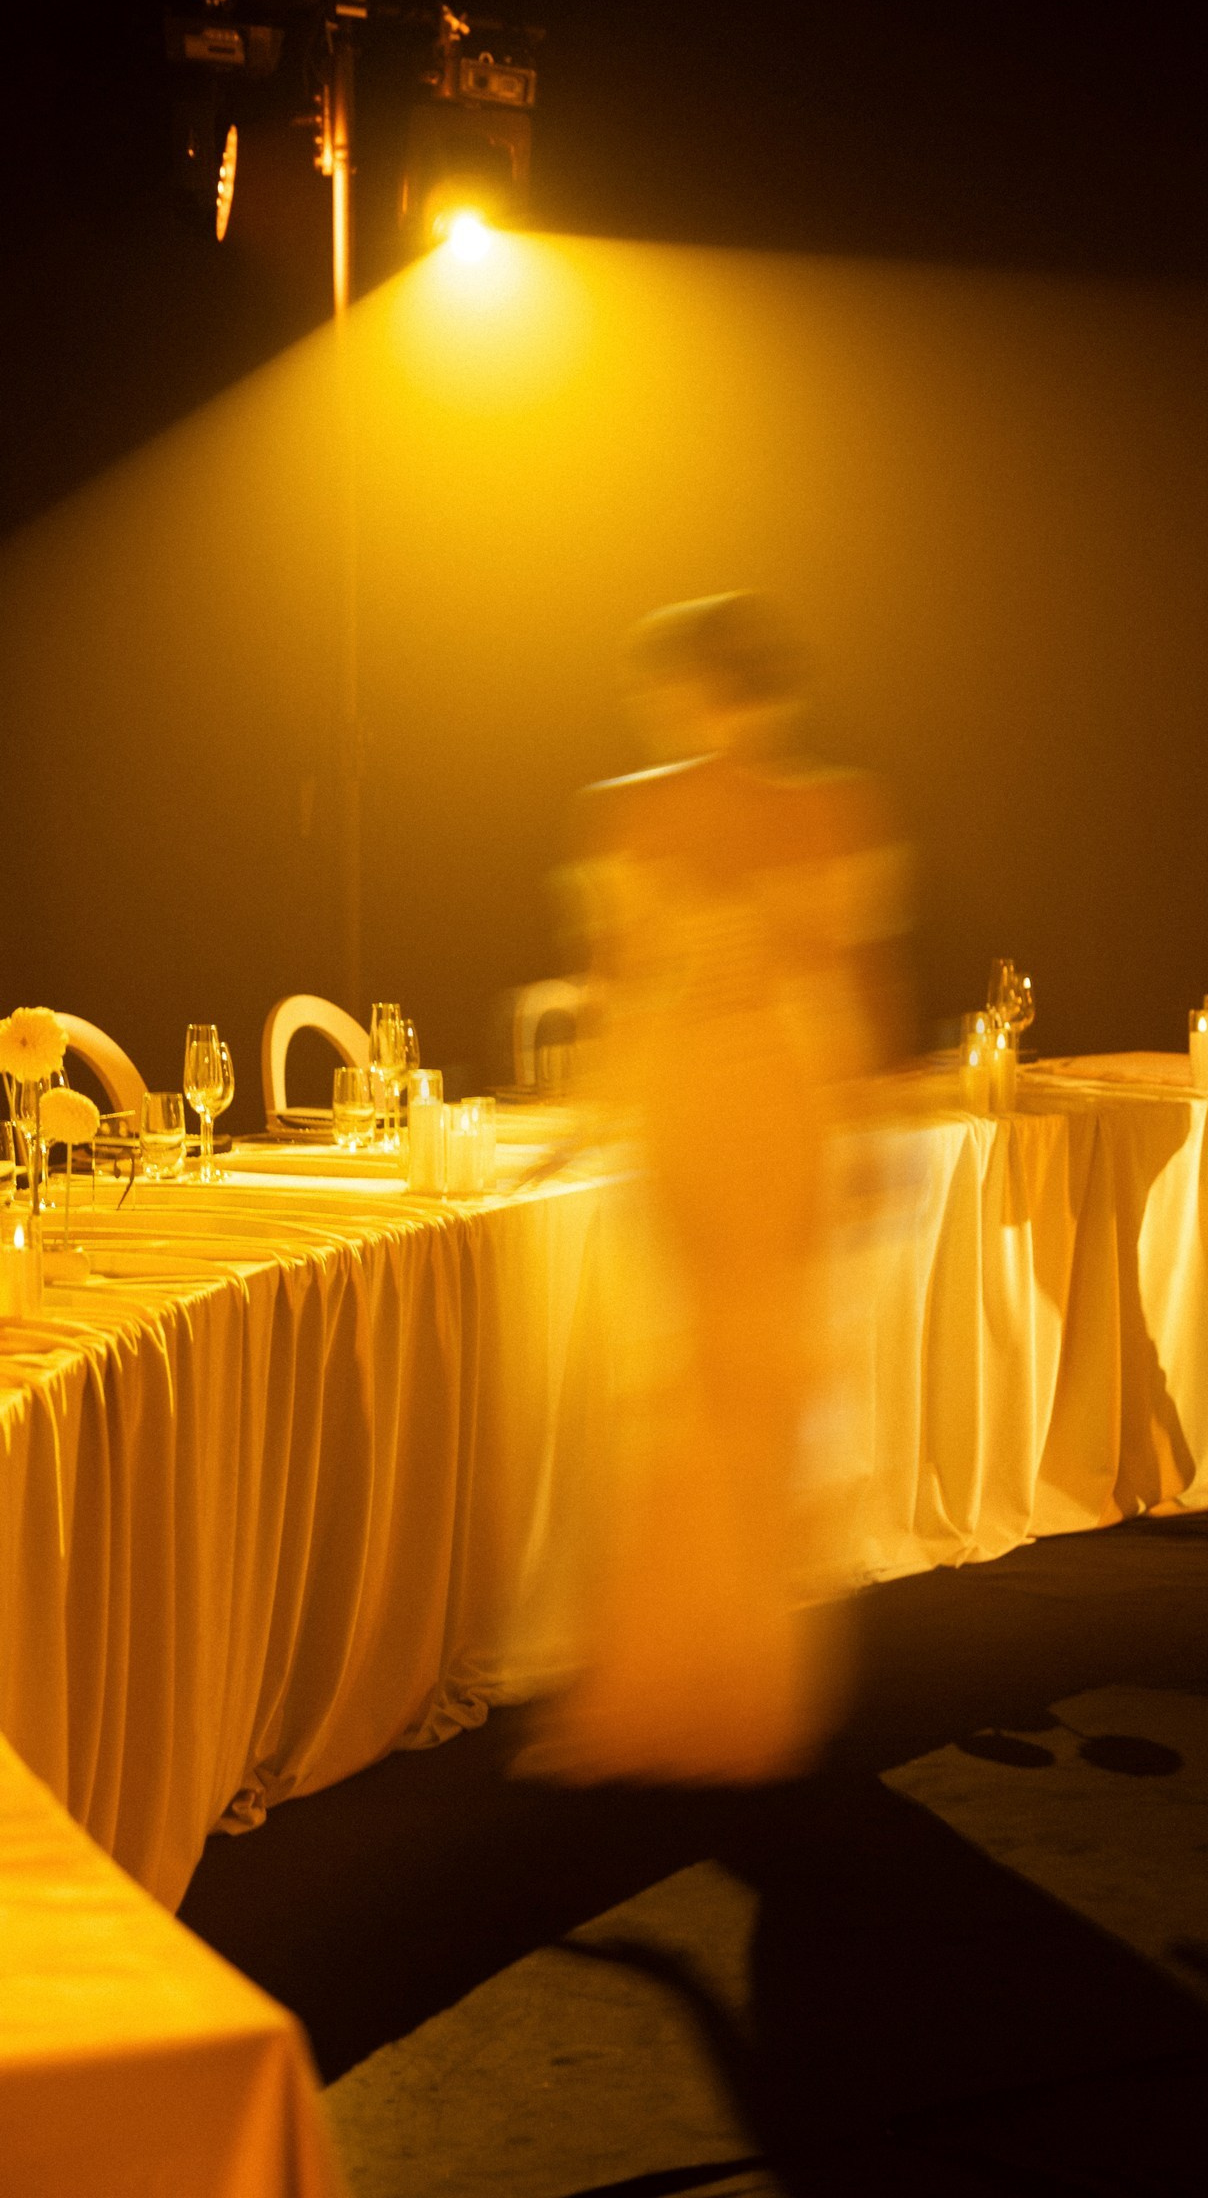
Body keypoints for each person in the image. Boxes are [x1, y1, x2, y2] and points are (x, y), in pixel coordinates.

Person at [515, 592, 908, 1782]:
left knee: (705, 1382)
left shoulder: (634, 811)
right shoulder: (825, 807)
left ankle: (684, 1679)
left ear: (691, 688)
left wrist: (589, 1119)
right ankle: (726, 1678)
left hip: (702, 1105)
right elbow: (851, 990)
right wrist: (860, 1130)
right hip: (765, 1104)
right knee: (741, 1386)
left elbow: (615, 989)